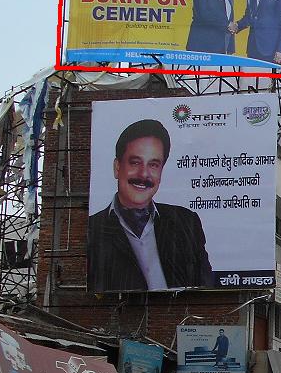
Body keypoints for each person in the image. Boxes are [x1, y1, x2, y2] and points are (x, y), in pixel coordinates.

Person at [87, 119, 214, 292]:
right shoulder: (92, 230)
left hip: (184, 318)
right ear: (117, 167)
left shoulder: (185, 222)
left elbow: (207, 290)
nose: (144, 174)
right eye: (135, 162)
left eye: (153, 165)